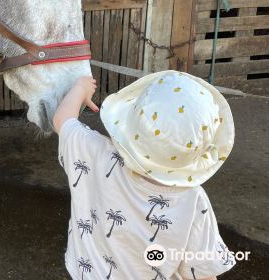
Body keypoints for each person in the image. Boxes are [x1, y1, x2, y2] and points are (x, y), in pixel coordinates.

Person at [53, 71, 236, 280]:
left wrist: (80, 88)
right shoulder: (193, 202)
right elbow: (202, 273)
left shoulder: (94, 152)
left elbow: (62, 120)